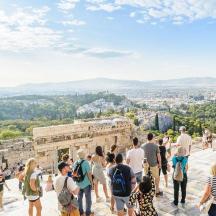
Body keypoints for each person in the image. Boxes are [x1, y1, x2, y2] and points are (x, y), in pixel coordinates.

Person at [73, 149, 93, 216]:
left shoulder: (75, 163)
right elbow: (89, 174)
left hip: (78, 184)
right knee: (88, 199)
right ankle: (88, 213)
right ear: (84, 155)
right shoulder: (86, 162)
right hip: (86, 184)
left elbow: (74, 174)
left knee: (79, 199)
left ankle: (81, 212)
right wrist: (91, 182)